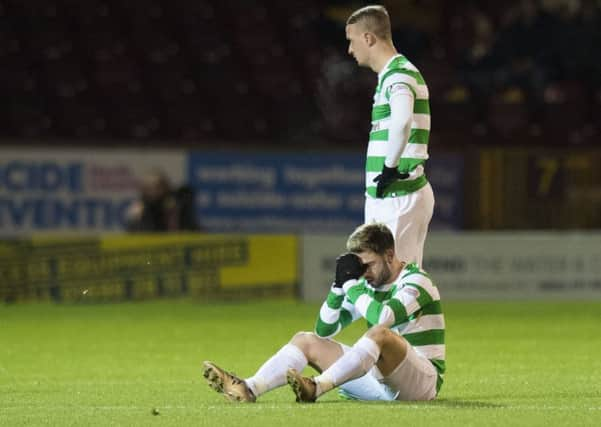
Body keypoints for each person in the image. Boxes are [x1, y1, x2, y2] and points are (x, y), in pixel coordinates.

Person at [203, 222, 445, 403]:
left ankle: (316, 387)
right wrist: (338, 287)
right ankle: (249, 388)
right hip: (377, 383)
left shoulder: (415, 281)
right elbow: (325, 328)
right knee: (306, 340)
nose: (364, 272)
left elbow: (381, 319)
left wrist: (351, 285)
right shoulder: (367, 285)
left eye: (368, 264)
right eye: (359, 266)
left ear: (390, 255)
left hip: (420, 383)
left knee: (379, 335)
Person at [346, 5, 434, 266]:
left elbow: (402, 120)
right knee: (402, 286)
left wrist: (389, 168)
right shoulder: (392, 75)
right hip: (396, 197)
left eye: (351, 41)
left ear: (368, 38)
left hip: (397, 196)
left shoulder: (398, 74)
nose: (350, 50)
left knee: (390, 286)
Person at [125, 169, 199, 232]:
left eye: (157, 187)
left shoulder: (177, 203)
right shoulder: (139, 207)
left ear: (165, 187)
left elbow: (188, 226)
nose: (153, 192)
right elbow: (134, 232)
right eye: (149, 188)